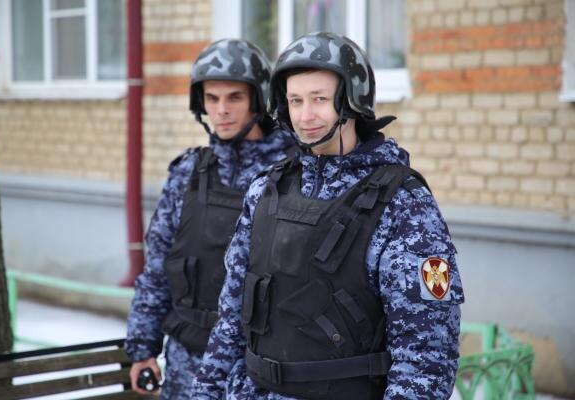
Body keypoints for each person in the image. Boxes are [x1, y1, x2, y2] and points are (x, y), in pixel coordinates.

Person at [193, 32, 465, 400]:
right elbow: (231, 321)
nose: (305, 116)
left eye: (319, 99)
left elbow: (426, 355)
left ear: (352, 100)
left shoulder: (402, 203)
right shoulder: (265, 191)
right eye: (295, 101)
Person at [125, 38, 294, 399]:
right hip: (186, 362)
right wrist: (143, 347)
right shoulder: (188, 173)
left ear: (258, 100)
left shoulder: (292, 173)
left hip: (257, 369)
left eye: (234, 98)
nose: (221, 111)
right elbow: (157, 267)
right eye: (212, 99)